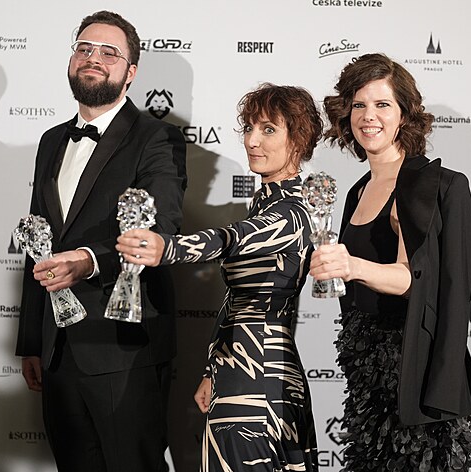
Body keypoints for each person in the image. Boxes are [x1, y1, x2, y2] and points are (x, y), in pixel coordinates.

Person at [117, 83, 321, 471]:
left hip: (260, 382)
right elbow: (237, 301)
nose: (252, 140)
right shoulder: (265, 203)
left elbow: (231, 239)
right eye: (250, 128)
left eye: (269, 129)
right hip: (240, 370)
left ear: (299, 139)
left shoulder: (293, 211)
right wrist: (214, 368)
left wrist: (168, 248)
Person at [15, 11, 186, 472]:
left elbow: (160, 228)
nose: (93, 58)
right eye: (84, 48)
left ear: (131, 72)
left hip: (125, 346)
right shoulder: (51, 140)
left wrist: (89, 260)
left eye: (110, 52)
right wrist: (31, 340)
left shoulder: (158, 138)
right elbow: (38, 238)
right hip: (57, 350)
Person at [309, 53, 471, 471]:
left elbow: (414, 280)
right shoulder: (357, 191)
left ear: (405, 114)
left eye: (382, 104)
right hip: (366, 374)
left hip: (416, 371)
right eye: (358, 104)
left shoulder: (436, 184)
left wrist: (351, 266)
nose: (368, 116)